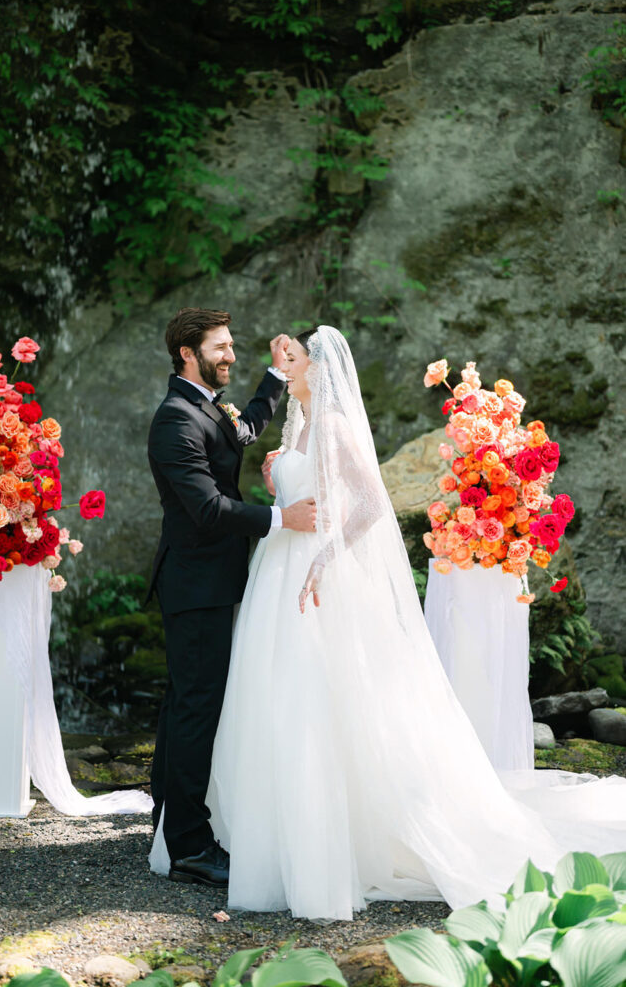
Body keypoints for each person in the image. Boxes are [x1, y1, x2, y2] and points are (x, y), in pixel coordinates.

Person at [150, 324, 626, 919]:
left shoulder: (328, 422)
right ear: (189, 354)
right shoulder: (281, 422)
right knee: (264, 699)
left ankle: (306, 836)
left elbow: (370, 504)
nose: (277, 364)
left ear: (317, 368)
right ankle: (236, 828)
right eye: (229, 350)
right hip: (272, 572)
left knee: (307, 700)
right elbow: (259, 492)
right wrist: (279, 487)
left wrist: (324, 553)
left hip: (309, 573)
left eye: (291, 359)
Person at [147, 308, 316, 888]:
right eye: (221, 347)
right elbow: (208, 510)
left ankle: (168, 819)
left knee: (184, 705)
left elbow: (242, 431)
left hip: (209, 581)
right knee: (196, 708)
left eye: (232, 346)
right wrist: (280, 517)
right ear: (188, 353)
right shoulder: (175, 419)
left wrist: (274, 376)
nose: (231, 355)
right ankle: (191, 846)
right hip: (194, 584)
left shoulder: (203, 405)